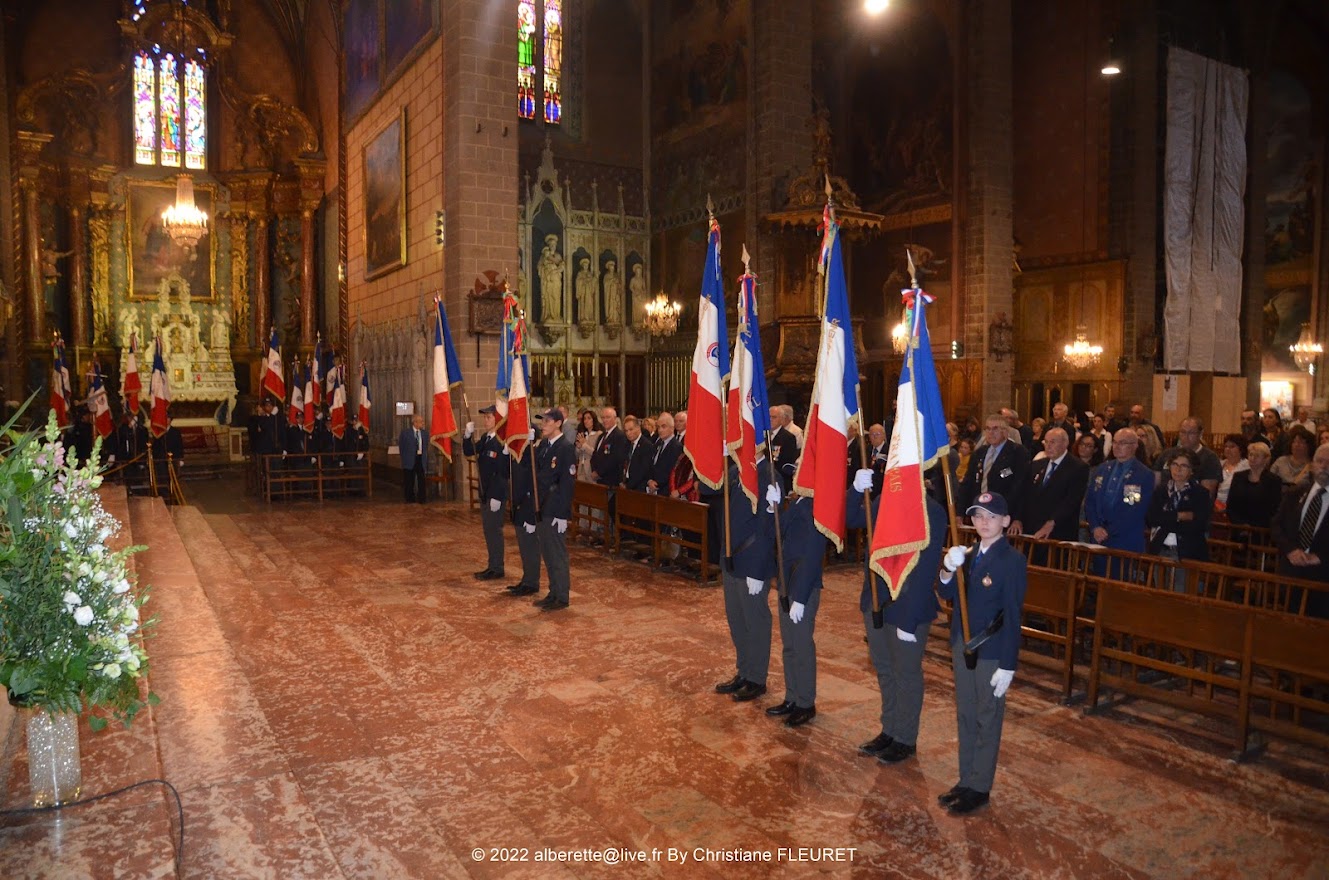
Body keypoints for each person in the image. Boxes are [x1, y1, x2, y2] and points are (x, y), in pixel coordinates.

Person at [936, 492, 1027, 816]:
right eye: (977, 516)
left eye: (991, 516)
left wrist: (1008, 665)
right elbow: (946, 593)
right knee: (966, 713)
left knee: (987, 718)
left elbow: (1013, 616)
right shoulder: (968, 553)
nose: (983, 522)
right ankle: (966, 779)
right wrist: (947, 569)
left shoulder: (1012, 561)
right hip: (964, 647)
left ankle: (980, 787)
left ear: (1005, 521)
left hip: (990, 651)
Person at [849, 468, 944, 764]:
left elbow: (926, 569)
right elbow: (852, 520)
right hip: (877, 599)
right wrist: (855, 491)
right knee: (885, 669)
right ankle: (889, 729)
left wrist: (910, 619)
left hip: (907, 607)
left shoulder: (932, 511)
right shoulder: (884, 501)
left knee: (906, 674)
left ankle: (905, 738)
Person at [714, 457, 776, 703]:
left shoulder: (767, 473)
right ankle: (744, 670)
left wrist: (759, 570)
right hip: (731, 558)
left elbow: (768, 527)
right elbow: (712, 492)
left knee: (755, 622)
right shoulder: (734, 471)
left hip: (751, 562)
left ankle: (757, 678)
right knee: (737, 619)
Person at [767, 488, 822, 728]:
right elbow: (775, 535)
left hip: (802, 586)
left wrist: (799, 597)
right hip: (786, 581)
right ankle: (792, 696)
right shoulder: (798, 502)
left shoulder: (814, 507)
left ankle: (806, 703)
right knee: (789, 645)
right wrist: (773, 508)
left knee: (801, 646)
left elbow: (813, 554)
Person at [1270, 443, 1329, 618]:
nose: (1324, 467)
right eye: (1320, 461)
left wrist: (1320, 558)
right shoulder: (1296, 493)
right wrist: (1290, 550)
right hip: (1291, 572)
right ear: (1312, 464)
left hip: (1323, 578)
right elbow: (1276, 525)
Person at [1008, 427, 1089, 550]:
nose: (1048, 446)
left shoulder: (1078, 467)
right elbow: (1023, 494)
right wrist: (1017, 518)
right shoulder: (1036, 465)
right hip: (1032, 529)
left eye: (1053, 442)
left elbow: (1072, 501)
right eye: (1046, 442)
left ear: (1065, 443)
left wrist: (1052, 522)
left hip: (1058, 531)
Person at [1084, 429, 1156, 554]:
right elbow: (1090, 501)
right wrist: (1095, 526)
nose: (1116, 446)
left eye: (1122, 443)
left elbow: (1134, 509)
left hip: (1125, 540)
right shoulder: (1103, 468)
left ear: (1134, 446)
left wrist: (1109, 531)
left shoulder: (1142, 474)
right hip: (1098, 536)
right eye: (1115, 442)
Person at [533, 409, 576, 611]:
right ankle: (553, 591)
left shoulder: (565, 448)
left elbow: (568, 483)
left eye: (548, 421)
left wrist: (563, 514)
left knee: (557, 553)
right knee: (548, 553)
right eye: (542, 421)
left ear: (558, 423)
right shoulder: (543, 445)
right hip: (542, 506)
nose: (544, 424)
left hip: (555, 507)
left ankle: (562, 595)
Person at [464, 405, 510, 581]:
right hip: (485, 492)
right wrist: (467, 436)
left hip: (494, 494)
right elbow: (470, 452)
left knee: (494, 531)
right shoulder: (485, 438)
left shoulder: (500, 442)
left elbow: (502, 472)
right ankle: (492, 565)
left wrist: (498, 496)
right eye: (485, 417)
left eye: (489, 417)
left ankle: (497, 568)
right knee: (488, 531)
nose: (486, 420)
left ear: (498, 420)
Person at [958, 413, 1031, 515]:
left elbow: (1020, 486)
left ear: (1005, 431)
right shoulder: (979, 453)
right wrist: (960, 512)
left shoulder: (1018, 453)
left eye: (995, 429)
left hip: (1005, 511)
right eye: (988, 429)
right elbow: (968, 482)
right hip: (979, 509)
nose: (990, 433)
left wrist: (1017, 518)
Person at [1146, 451, 1211, 565]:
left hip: (1187, 551)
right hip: (1160, 547)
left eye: (1184, 466)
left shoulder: (1200, 493)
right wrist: (1178, 516)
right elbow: (1151, 518)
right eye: (1174, 464)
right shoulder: (1161, 490)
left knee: (1182, 582)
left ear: (1192, 470)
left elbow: (1199, 524)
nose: (1178, 469)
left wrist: (1165, 519)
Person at [506, 424, 542, 597]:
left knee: (531, 547)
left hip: (527, 506)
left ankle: (532, 582)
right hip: (518, 504)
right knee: (523, 546)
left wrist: (529, 514)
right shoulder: (517, 453)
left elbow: (533, 485)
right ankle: (527, 579)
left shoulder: (532, 454)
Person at [1154, 417, 1222, 497]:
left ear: (1200, 434)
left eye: (1191, 433)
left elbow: (1207, 494)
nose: (1186, 436)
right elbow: (1155, 484)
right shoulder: (1166, 454)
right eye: (1183, 432)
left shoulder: (1210, 458)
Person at [1225, 442, 1283, 531]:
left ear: (1266, 459)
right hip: (1238, 527)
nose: (1252, 458)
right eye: (1251, 455)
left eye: (1257, 456)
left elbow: (1273, 509)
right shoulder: (1238, 476)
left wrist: (1253, 527)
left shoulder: (1274, 480)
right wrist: (1241, 525)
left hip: (1262, 530)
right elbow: (1231, 505)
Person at [647, 412, 682, 495]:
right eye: (658, 427)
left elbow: (672, 471)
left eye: (663, 426)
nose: (660, 430)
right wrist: (649, 480)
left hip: (666, 491)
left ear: (672, 428)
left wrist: (657, 483)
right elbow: (650, 463)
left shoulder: (676, 447)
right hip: (653, 489)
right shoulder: (658, 443)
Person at [1270, 425, 1315, 490]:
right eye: (1294, 442)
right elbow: (1269, 480)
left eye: (1301, 442)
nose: (1297, 445)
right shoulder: (1281, 461)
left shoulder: (1312, 466)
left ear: (1309, 446)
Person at [768, 405, 800, 493]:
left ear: (782, 419)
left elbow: (787, 462)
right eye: (768, 417)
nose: (770, 419)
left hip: (780, 480)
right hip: (765, 479)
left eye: (774, 417)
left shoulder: (788, 437)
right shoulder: (764, 436)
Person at [398, 414, 429, 504]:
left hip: (420, 458)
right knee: (409, 480)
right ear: (415, 422)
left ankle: (422, 498)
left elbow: (425, 446)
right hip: (409, 459)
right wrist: (404, 459)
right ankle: (409, 498)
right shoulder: (405, 433)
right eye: (420, 421)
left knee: (421, 479)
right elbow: (402, 447)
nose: (422, 423)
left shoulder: (424, 433)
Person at [1215, 434, 1249, 510]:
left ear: (1241, 449)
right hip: (1215, 505)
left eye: (1232, 447)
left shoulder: (1247, 466)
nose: (1228, 449)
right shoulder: (1219, 464)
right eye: (1226, 446)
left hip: (1236, 505)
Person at [621, 415, 654, 491]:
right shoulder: (627, 444)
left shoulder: (646, 445)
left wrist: (628, 486)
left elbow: (643, 471)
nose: (628, 433)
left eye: (631, 429)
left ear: (638, 428)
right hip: (626, 484)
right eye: (626, 431)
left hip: (638, 488)